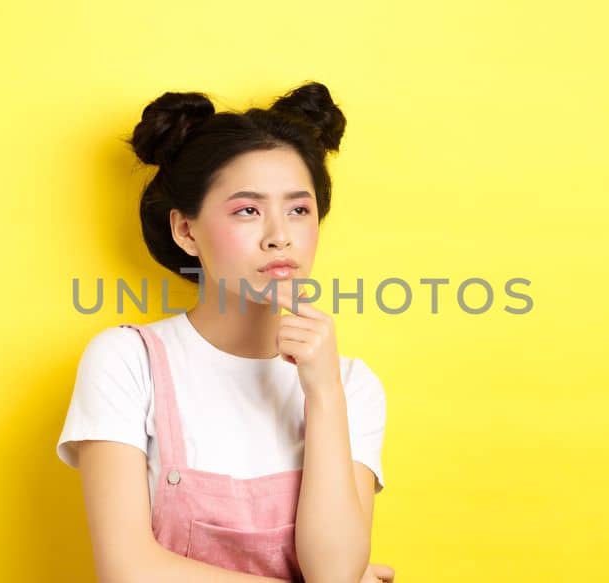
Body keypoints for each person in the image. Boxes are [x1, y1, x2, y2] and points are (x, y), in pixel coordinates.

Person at [55, 82, 395, 583]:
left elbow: (335, 571)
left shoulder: (351, 385)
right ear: (185, 231)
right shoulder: (129, 361)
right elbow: (128, 571)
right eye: (247, 210)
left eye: (299, 209)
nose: (279, 234)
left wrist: (323, 394)